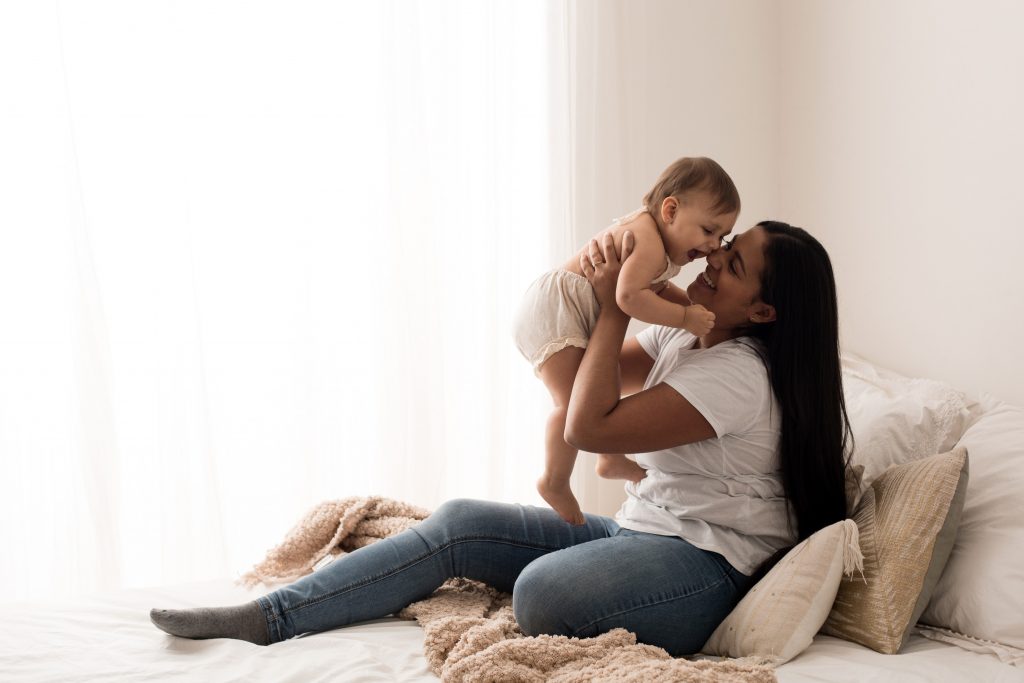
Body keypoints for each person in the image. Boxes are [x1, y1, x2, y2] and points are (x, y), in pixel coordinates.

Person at [150, 220, 851, 656]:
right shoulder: (687, 325)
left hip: (704, 567)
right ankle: (269, 615)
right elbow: (580, 380)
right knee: (458, 522)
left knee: (542, 596)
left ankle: (279, 614)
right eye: (723, 245)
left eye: (729, 265)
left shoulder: (741, 375)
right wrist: (589, 285)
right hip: (643, 532)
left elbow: (590, 425)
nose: (709, 260)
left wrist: (614, 311)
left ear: (762, 309)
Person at [513, 156, 740, 524]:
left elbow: (657, 287)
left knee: (602, 387)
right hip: (554, 313)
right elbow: (629, 298)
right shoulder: (648, 242)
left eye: (721, 237)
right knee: (576, 407)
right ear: (670, 210)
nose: (714, 246)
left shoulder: (659, 243)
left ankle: (608, 459)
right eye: (709, 230)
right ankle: (555, 480)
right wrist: (684, 317)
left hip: (559, 311)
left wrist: (689, 309)